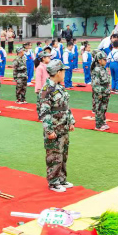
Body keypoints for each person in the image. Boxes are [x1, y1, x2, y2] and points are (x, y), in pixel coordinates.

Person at [38, 60, 75, 192]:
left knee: (63, 155)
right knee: (54, 156)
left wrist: (71, 121)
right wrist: (49, 130)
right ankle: (53, 182)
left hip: (63, 127)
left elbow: (66, 107)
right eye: (63, 71)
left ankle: (62, 179)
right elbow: (44, 112)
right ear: (58, 72)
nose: (64, 73)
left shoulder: (59, 87)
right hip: (54, 129)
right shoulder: (47, 89)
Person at [91, 51, 112, 131]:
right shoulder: (96, 70)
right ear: (99, 60)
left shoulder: (103, 68)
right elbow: (95, 83)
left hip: (105, 91)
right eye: (104, 59)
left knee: (104, 108)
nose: (106, 61)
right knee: (99, 108)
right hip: (101, 91)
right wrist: (99, 93)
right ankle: (98, 125)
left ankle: (102, 122)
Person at [34, 49, 52, 118]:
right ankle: (41, 115)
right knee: (41, 103)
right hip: (42, 88)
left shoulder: (48, 66)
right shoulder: (40, 67)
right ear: (43, 58)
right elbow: (38, 79)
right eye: (48, 57)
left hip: (48, 87)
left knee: (47, 102)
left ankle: (46, 114)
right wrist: (38, 89)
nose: (49, 58)